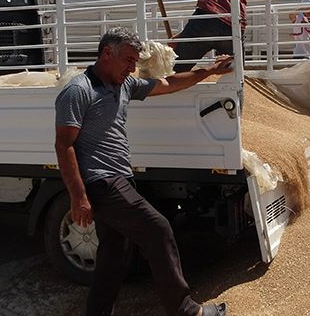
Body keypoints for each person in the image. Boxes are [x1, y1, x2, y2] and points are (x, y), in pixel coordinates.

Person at [54, 27, 230, 316]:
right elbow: (64, 146)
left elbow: (167, 83)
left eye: (135, 61)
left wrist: (208, 70)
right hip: (102, 181)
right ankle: (186, 310)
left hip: (119, 177)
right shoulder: (78, 90)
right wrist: (78, 197)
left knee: (113, 254)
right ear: (107, 53)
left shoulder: (124, 85)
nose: (133, 68)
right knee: (158, 229)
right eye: (128, 60)